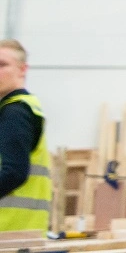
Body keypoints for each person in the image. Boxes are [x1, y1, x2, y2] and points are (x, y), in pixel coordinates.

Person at [0, 40, 48, 231]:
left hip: (9, 230)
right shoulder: (19, 108)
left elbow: (14, 172)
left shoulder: (15, 112)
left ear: (23, 69)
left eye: (3, 65)